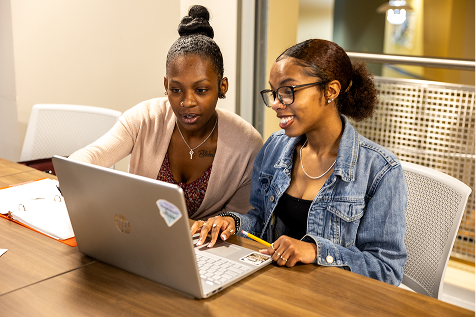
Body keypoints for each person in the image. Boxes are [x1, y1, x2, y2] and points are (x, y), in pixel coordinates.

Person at [191, 39, 408, 285]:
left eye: (288, 91)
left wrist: (316, 251)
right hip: (275, 286)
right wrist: (233, 221)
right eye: (274, 92)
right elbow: (261, 220)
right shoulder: (275, 147)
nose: (275, 103)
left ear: (331, 91)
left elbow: (386, 270)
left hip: (331, 299)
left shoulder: (380, 170)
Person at [69, 5, 263, 220]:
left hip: (206, 249)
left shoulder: (247, 144)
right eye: (176, 89)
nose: (187, 102)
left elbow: (241, 219)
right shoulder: (145, 118)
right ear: (166, 84)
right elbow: (92, 155)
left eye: (201, 90)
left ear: (222, 86)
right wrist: (73, 175)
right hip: (138, 233)